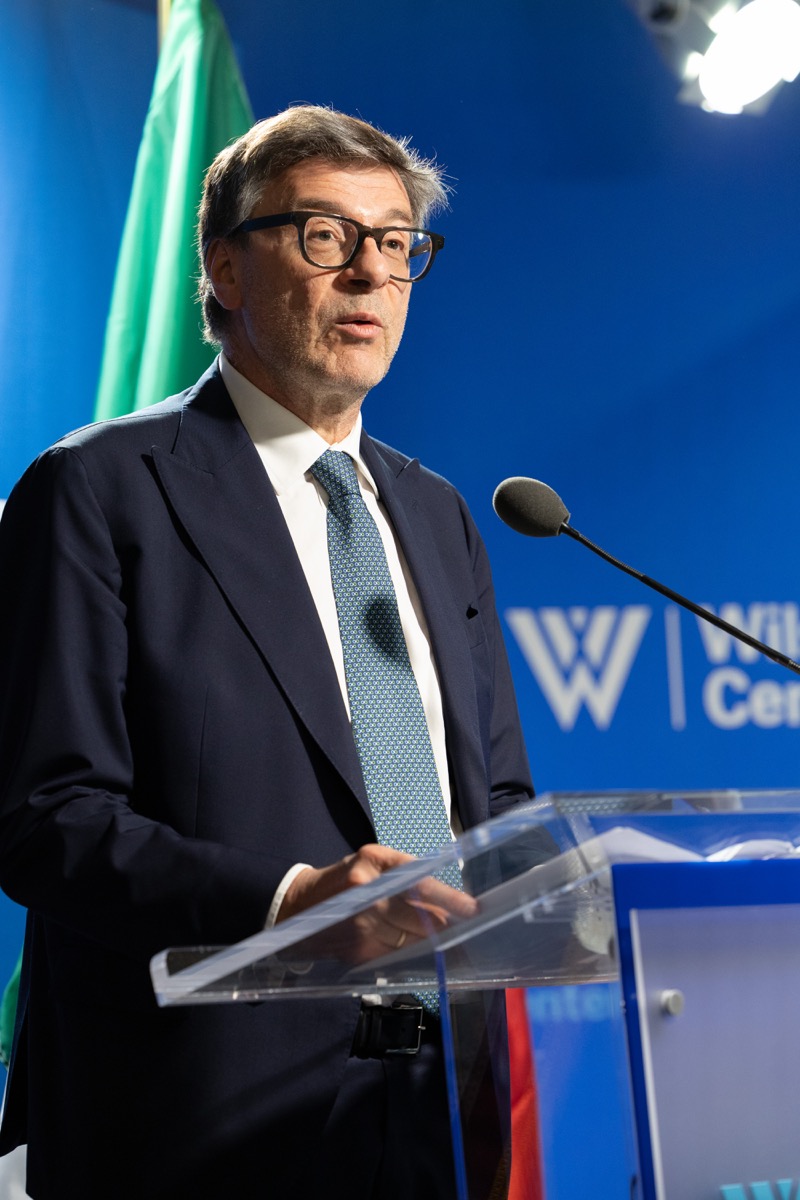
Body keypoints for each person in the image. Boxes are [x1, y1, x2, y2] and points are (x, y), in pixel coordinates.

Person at [0, 105, 534, 1200]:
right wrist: (294, 901)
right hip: (196, 1123)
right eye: (325, 236)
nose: (369, 273)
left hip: (439, 1109)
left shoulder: (436, 515)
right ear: (226, 267)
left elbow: (498, 805)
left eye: (396, 244)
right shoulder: (99, 490)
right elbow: (46, 817)